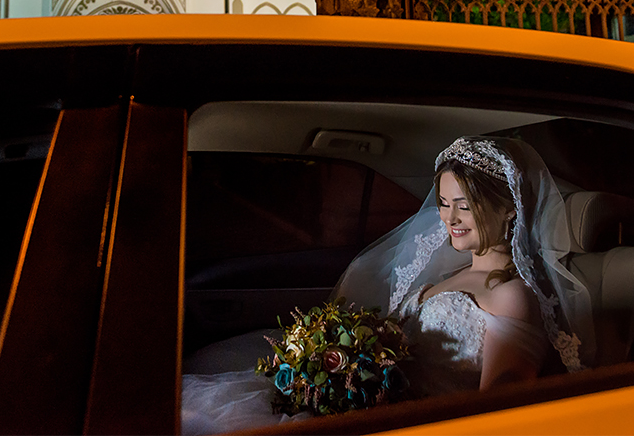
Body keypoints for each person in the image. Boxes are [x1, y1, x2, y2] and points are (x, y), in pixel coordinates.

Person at [180, 137, 593, 435]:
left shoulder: (511, 295)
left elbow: (499, 410)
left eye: (464, 206)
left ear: (508, 210)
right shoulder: (449, 275)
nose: (448, 218)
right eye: (444, 203)